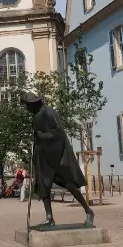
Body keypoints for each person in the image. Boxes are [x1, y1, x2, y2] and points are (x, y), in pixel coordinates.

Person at [22, 92, 95, 228]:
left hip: (58, 155)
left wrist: (43, 137)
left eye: (27, 105)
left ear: (34, 104)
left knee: (69, 184)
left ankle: (88, 211)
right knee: (44, 185)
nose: (27, 108)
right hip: (43, 156)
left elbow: (59, 133)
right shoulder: (34, 118)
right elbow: (37, 137)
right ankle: (49, 218)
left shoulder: (49, 112)